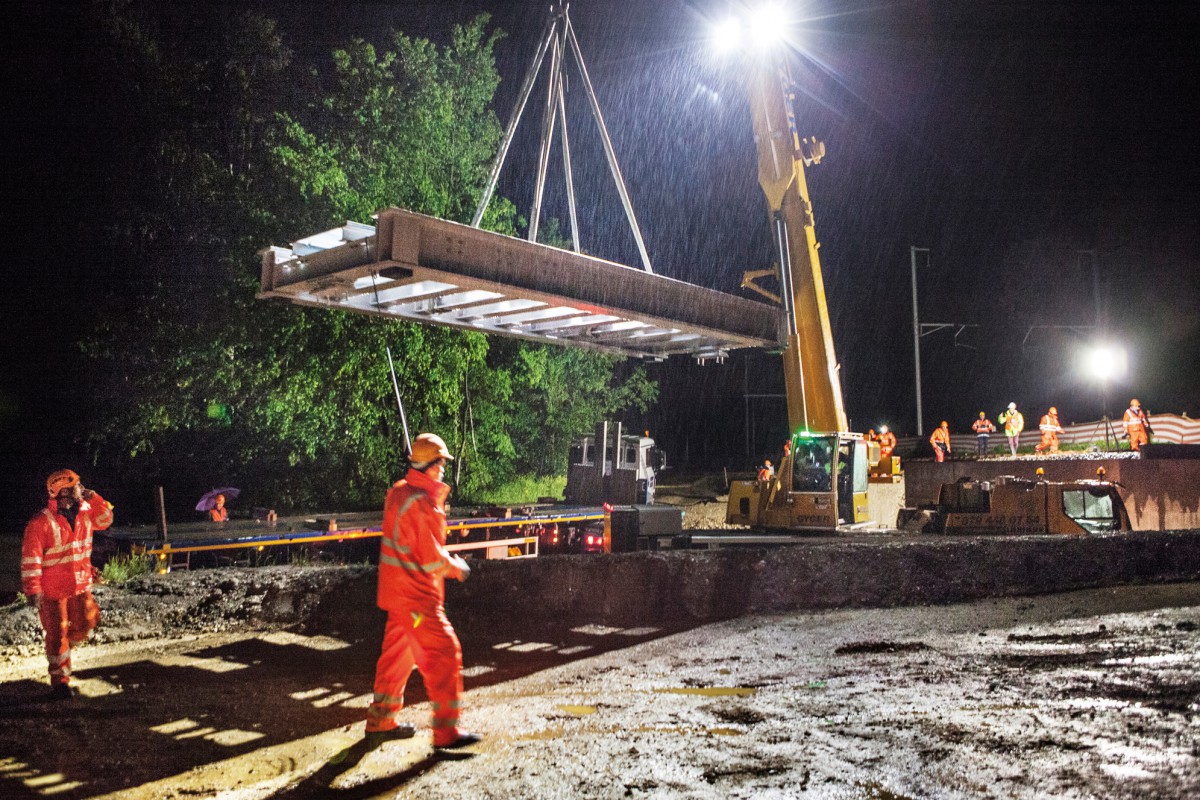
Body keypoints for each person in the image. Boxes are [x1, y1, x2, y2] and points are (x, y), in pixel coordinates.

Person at [365, 433, 481, 750]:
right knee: (444, 654)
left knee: (397, 659)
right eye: (441, 462)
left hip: (400, 598)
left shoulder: (400, 493)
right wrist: (459, 568)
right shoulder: (420, 503)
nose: (443, 468)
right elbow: (431, 559)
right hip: (417, 605)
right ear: (429, 465)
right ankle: (446, 734)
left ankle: (380, 721)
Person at [22, 469, 113, 700]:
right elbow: (32, 559)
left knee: (87, 621)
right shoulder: (41, 522)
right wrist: (33, 590)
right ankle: (60, 682)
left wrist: (94, 497)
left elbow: (106, 520)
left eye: (76, 486)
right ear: (58, 493)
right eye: (71, 488)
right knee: (56, 633)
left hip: (81, 583)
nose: (75, 491)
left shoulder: (86, 511)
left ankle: (67, 645)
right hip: (53, 591)